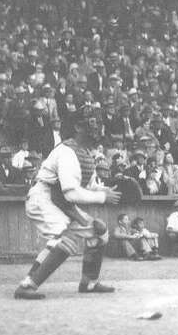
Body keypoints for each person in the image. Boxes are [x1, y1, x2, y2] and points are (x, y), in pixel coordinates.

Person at [14, 107, 122, 300]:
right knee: (66, 239)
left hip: (60, 201)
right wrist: (103, 198)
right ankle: (27, 285)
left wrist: (104, 191)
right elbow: (71, 193)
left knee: (99, 232)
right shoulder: (66, 152)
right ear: (79, 127)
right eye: (93, 122)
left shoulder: (83, 152)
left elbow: (87, 186)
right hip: (43, 197)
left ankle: (89, 282)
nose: (98, 126)